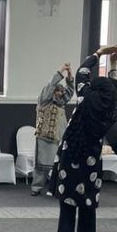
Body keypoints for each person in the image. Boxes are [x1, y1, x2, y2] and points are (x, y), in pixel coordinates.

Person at [49, 44, 117, 232]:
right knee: (88, 202)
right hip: (92, 158)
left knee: (69, 201)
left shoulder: (84, 98)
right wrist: (113, 65)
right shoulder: (109, 109)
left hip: (72, 153)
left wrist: (99, 53)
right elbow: (113, 91)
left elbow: (82, 71)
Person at [31, 63, 75, 196]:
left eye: (61, 91)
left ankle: (57, 188)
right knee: (42, 164)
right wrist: (60, 71)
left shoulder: (61, 103)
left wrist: (70, 75)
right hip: (45, 138)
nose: (60, 93)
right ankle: (36, 188)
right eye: (57, 91)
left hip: (60, 138)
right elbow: (50, 85)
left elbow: (70, 91)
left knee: (61, 164)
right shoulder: (44, 100)